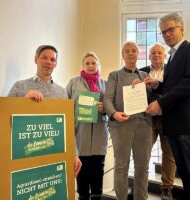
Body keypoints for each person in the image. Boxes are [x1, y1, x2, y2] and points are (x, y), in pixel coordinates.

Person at [144, 13, 190, 200]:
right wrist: (158, 85)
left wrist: (160, 102)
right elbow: (173, 86)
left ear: (181, 28)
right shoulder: (171, 58)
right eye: (164, 32)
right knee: (186, 176)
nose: (167, 34)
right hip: (175, 125)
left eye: (171, 30)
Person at [8, 44, 82, 177]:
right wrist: (23, 101)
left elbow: (68, 127)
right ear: (36, 59)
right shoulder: (20, 86)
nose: (48, 62)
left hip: (54, 156)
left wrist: (74, 154)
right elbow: (2, 119)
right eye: (44, 58)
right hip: (26, 155)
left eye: (52, 60)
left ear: (56, 64)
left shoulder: (61, 92)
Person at [104, 41, 152, 200]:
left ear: (138, 54)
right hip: (121, 126)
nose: (131, 53)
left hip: (144, 126)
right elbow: (107, 100)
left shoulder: (145, 76)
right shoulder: (114, 75)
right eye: (127, 51)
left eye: (134, 51)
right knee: (121, 167)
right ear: (123, 55)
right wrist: (114, 114)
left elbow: (153, 100)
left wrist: (147, 87)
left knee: (142, 167)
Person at [66, 52, 109, 200]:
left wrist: (104, 110)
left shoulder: (105, 84)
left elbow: (112, 109)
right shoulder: (73, 83)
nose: (90, 66)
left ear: (98, 65)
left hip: (99, 138)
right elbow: (65, 108)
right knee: (82, 178)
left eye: (93, 63)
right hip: (80, 138)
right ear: (83, 65)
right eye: (87, 63)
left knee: (98, 179)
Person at [140, 43, 176, 200]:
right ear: (149, 56)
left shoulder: (173, 71)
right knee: (143, 153)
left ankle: (167, 188)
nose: (156, 55)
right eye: (153, 53)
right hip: (147, 119)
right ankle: (141, 185)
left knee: (168, 154)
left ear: (165, 55)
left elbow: (175, 92)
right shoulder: (141, 72)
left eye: (159, 53)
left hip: (168, 118)